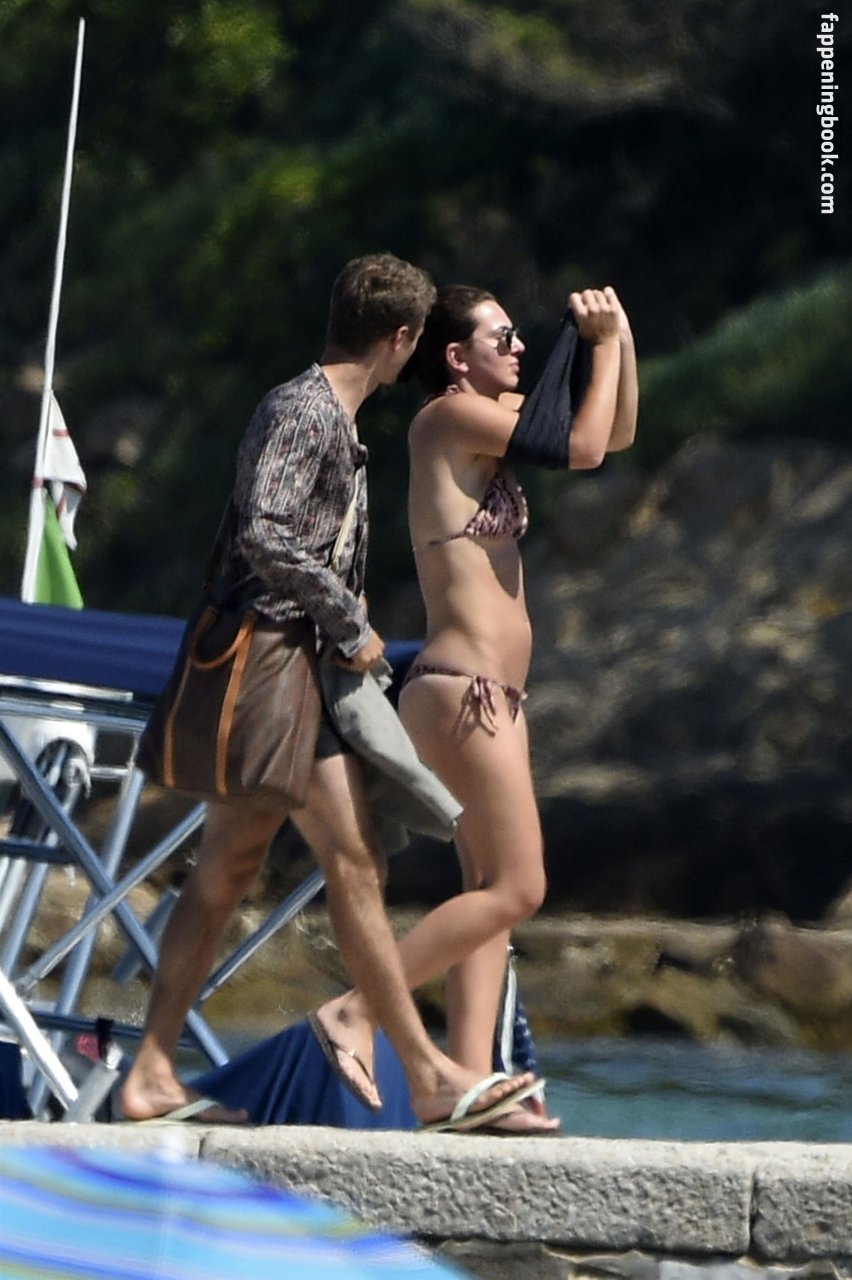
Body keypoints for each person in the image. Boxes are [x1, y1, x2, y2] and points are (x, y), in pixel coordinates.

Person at [119, 253, 539, 1132]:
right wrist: (350, 623)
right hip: (273, 666)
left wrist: (343, 624)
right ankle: (422, 1070)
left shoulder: (335, 421)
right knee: (348, 863)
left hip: (295, 668)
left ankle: (152, 1071)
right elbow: (265, 530)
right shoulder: (304, 410)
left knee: (236, 869)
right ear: (401, 339)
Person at [310, 282, 638, 1135]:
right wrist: (600, 346)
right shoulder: (445, 419)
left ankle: (471, 1084)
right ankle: (356, 1009)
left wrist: (620, 336)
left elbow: (613, 432)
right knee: (521, 887)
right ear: (456, 358)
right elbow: (583, 449)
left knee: (488, 891)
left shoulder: (489, 422)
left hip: (490, 697)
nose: (520, 347)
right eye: (504, 336)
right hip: (464, 692)